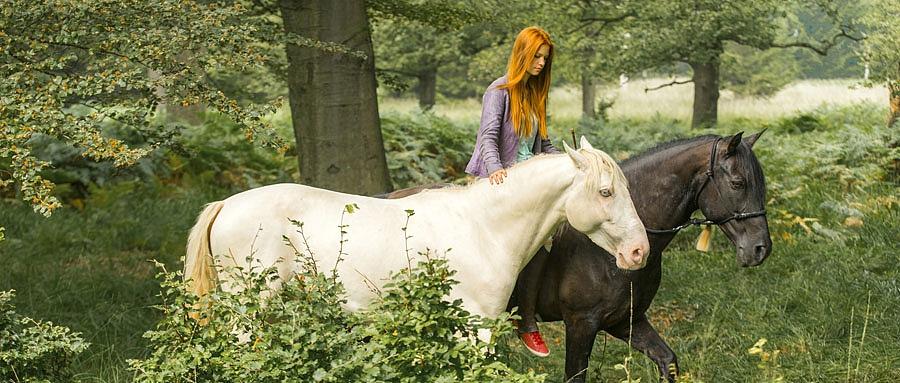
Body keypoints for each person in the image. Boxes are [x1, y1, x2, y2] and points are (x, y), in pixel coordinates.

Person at [464, 26, 558, 357]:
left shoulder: (536, 96)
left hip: (529, 185)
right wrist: (496, 171)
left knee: (544, 238)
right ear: (522, 54)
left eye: (545, 58)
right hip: (500, 181)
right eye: (536, 56)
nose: (542, 63)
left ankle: (527, 321)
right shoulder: (499, 91)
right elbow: (488, 137)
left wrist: (569, 164)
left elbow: (544, 145)